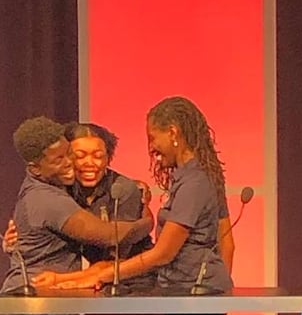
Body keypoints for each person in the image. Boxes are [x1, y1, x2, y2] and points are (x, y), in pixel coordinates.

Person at [36, 96, 234, 294]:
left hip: (192, 293)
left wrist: (218, 293)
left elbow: (163, 253)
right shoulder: (190, 177)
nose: (151, 147)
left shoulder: (193, 183)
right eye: (80, 156)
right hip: (180, 290)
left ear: (173, 132)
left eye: (153, 138)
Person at [0, 116, 152, 294]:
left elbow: (115, 260)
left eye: (98, 156)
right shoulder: (54, 194)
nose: (86, 163)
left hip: (127, 286)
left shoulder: (122, 190)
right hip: (37, 292)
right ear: (36, 168)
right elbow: (110, 236)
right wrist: (147, 221)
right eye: (78, 156)